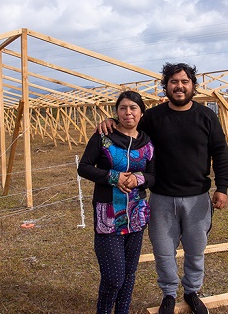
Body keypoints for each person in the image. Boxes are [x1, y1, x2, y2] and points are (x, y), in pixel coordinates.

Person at [98, 62, 228, 314]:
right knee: (163, 251)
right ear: (166, 86)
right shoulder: (154, 117)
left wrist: (222, 186)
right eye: (174, 82)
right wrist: (111, 120)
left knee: (195, 250)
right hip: (161, 197)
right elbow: (131, 127)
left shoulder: (206, 116)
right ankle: (169, 294)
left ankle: (192, 291)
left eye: (184, 81)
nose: (179, 86)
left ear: (192, 85)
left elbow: (221, 153)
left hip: (197, 198)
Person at [78, 90, 155, 314]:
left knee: (130, 273)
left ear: (141, 112)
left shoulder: (148, 142)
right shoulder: (103, 138)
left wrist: (138, 179)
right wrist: (113, 177)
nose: (128, 112)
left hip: (137, 215)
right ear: (116, 112)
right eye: (123, 108)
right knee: (113, 277)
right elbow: (83, 167)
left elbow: (153, 176)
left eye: (133, 108)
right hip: (108, 216)